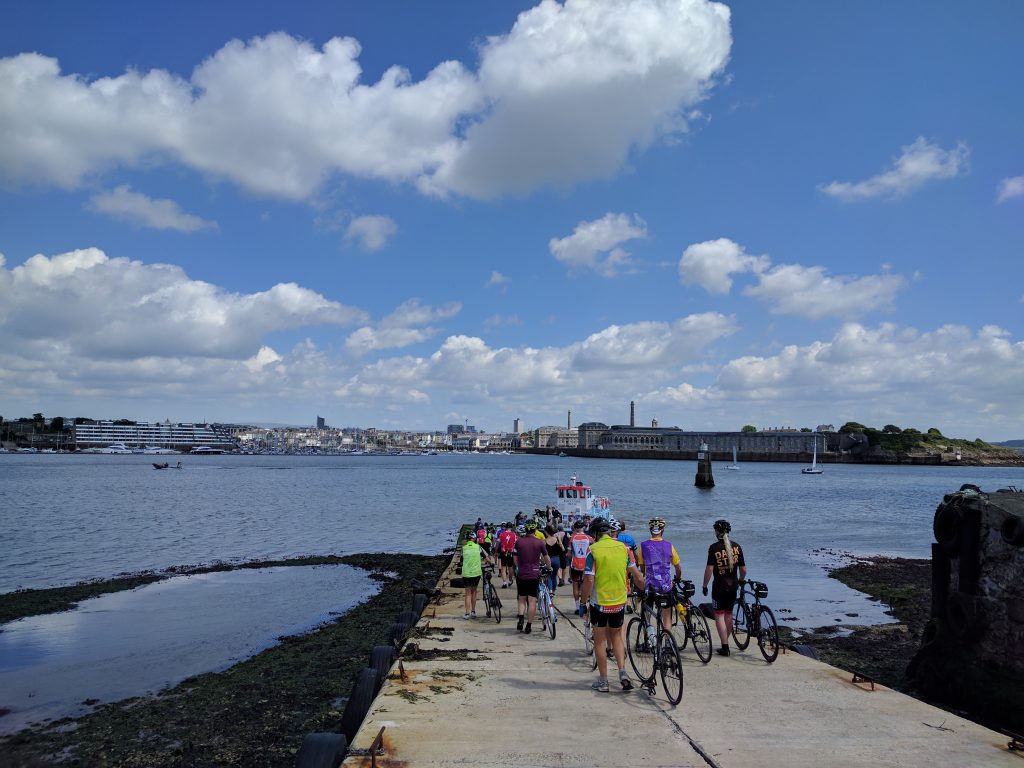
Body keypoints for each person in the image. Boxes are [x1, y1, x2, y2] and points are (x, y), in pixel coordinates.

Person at [580, 516, 645, 692]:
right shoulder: (624, 549)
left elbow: (588, 580)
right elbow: (638, 576)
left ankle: (603, 681)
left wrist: (582, 601)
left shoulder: (593, 551)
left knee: (599, 641)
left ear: (595, 534)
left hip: (600, 603)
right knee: (617, 636)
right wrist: (643, 591)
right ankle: (623, 672)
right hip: (619, 601)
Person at [702, 519, 746, 657]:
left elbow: (709, 569)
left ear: (717, 532)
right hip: (733, 586)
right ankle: (725, 641)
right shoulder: (737, 547)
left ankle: (725, 646)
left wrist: (704, 585)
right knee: (729, 614)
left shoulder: (714, 548)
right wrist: (740, 581)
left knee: (719, 615)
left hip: (719, 587)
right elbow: (743, 570)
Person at [637, 517, 682, 633]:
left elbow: (642, 568)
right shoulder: (669, 545)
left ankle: (649, 640)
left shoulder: (643, 545)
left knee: (647, 611)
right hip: (665, 586)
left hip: (650, 586)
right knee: (667, 615)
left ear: (650, 530)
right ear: (662, 530)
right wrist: (677, 578)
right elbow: (678, 567)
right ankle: (667, 642)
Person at [513, 520, 551, 634]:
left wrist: (519, 566)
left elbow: (515, 559)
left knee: (521, 598)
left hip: (522, 574)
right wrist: (549, 567)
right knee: (532, 600)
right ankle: (529, 625)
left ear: (525, 529)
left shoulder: (519, 542)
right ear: (535, 530)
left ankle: (520, 618)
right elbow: (546, 558)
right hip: (534, 574)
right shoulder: (539, 542)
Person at [567, 519, 592, 613]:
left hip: (575, 565)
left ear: (575, 528)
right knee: (586, 585)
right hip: (586, 565)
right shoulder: (589, 538)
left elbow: (569, 554)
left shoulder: (572, 538)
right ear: (584, 527)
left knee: (575, 586)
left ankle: (577, 607)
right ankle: (584, 605)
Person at [461, 529, 483, 619]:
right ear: (474, 539)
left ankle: (467, 613)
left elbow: (461, 560)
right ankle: (473, 611)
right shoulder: (478, 547)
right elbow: (484, 556)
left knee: (467, 593)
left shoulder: (463, 548)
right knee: (474, 591)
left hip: (466, 573)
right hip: (476, 573)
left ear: (467, 539)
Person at [543, 524, 565, 594]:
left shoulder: (545, 541)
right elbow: (563, 549)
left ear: (546, 532)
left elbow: (542, 552)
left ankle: (550, 590)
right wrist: (560, 543)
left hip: (548, 559)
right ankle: (553, 591)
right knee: (554, 576)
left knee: (548, 576)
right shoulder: (557, 539)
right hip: (556, 559)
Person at [497, 521, 517, 588]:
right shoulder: (514, 534)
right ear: (511, 527)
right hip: (511, 552)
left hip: (503, 552)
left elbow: (498, 542)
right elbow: (516, 543)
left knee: (503, 568)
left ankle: (504, 582)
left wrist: (496, 550)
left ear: (506, 527)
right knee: (510, 567)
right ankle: (510, 580)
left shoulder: (502, 534)